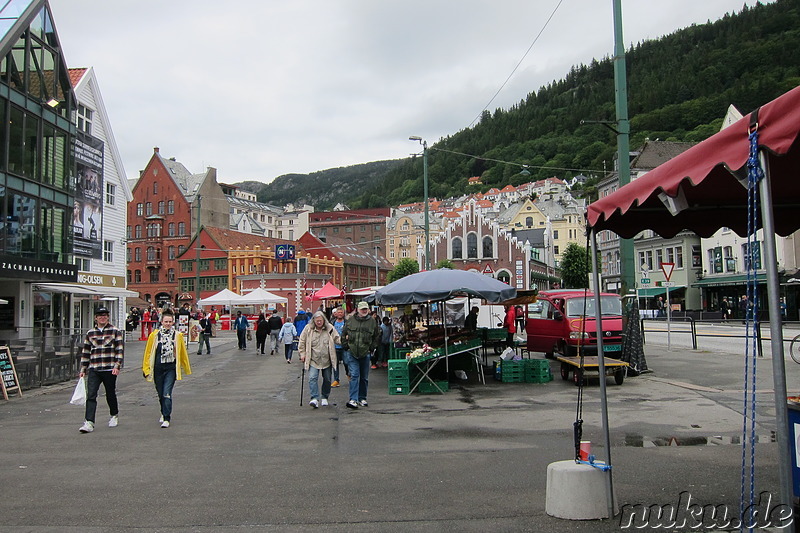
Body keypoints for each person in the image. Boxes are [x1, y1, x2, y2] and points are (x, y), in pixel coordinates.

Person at [78, 307, 124, 433]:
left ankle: (114, 415)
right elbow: (86, 351)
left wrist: (117, 365)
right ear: (96, 318)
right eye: (100, 315)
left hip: (109, 368)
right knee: (91, 395)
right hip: (95, 368)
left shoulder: (115, 331)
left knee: (110, 393)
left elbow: (119, 350)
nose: (102, 317)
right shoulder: (90, 333)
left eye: (104, 315)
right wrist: (83, 368)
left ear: (108, 317)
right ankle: (89, 421)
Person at [142, 309, 191, 428]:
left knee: (166, 393)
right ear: (162, 322)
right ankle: (163, 411)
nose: (168, 324)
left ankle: (167, 417)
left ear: (173, 322)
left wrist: (185, 367)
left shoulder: (178, 335)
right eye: (166, 321)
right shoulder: (154, 335)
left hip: (171, 368)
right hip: (158, 367)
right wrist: (146, 369)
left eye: (170, 321)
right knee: (160, 393)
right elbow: (148, 353)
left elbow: (182, 353)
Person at [341, 301, 380, 409]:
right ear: (357, 309)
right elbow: (344, 333)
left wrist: (372, 347)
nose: (364, 311)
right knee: (354, 376)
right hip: (352, 352)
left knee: (364, 377)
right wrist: (346, 346)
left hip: (365, 352)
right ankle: (353, 399)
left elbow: (377, 336)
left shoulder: (372, 322)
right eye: (362, 309)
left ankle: (362, 398)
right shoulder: (350, 320)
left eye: (365, 309)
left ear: (368, 310)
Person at [299, 311, 339, 408]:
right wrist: (302, 354)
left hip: (327, 359)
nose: (319, 323)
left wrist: (346, 341)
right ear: (314, 321)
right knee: (312, 378)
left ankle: (325, 396)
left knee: (328, 379)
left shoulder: (329, 328)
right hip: (313, 359)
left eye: (320, 321)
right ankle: (314, 398)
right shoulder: (308, 329)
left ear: (323, 320)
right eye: (317, 321)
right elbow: (302, 341)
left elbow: (337, 338)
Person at [330, 306, 347, 386]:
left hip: (344, 346)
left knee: (346, 362)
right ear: (336, 314)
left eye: (341, 312)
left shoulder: (346, 322)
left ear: (343, 313)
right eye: (338, 312)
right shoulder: (332, 322)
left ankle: (348, 374)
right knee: (335, 364)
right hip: (334, 346)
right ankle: (336, 380)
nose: (340, 314)